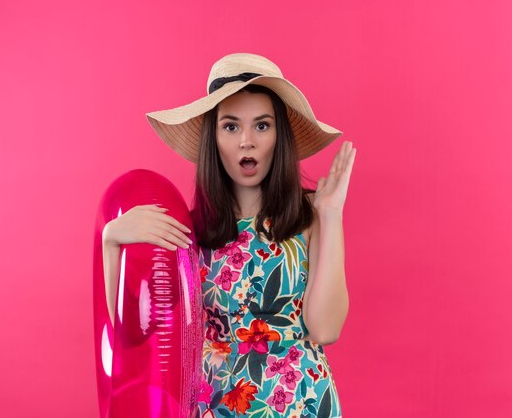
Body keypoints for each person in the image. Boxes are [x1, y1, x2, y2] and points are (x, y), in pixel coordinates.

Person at [103, 53, 356, 417]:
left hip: (302, 401)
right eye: (231, 126)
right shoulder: (187, 232)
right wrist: (112, 242)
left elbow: (325, 328)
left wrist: (330, 216)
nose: (246, 142)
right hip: (215, 406)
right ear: (214, 137)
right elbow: (135, 336)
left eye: (262, 126)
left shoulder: (310, 215)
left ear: (279, 137)